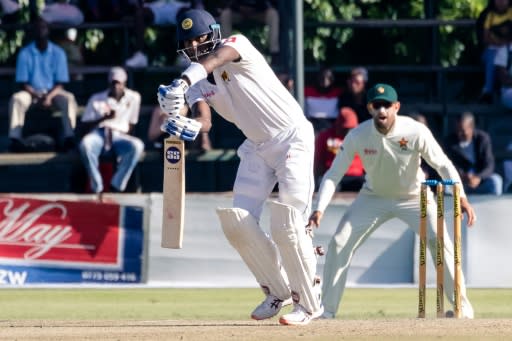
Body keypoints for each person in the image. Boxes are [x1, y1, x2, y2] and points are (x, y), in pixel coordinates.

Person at [157, 9, 322, 325]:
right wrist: (185, 124)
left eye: (200, 38)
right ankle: (278, 290)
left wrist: (182, 80)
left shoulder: (237, 44)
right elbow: (205, 121)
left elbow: (214, 60)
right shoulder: (196, 83)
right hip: (256, 147)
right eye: (188, 42)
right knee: (237, 223)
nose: (194, 47)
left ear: (214, 34)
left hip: (292, 139)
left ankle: (309, 303)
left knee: (287, 222)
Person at [309, 83, 477, 319]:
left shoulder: (415, 131)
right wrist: (319, 208)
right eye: (376, 105)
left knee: (441, 244)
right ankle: (326, 310)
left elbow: (443, 165)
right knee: (339, 243)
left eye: (387, 105)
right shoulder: (358, 134)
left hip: (414, 196)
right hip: (373, 197)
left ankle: (462, 308)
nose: (382, 111)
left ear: (396, 107)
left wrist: (461, 196)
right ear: (369, 108)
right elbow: (333, 174)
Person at [8, 17, 78, 152]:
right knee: (16, 98)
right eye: (37, 28)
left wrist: (49, 97)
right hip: (31, 93)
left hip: (53, 93)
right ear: (33, 31)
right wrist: (36, 95)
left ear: (48, 31)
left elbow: (61, 82)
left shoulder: (58, 53)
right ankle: (15, 139)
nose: (40, 31)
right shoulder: (25, 53)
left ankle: (69, 137)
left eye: (43, 27)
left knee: (69, 99)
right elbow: (23, 83)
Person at [78, 66, 144, 197]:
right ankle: (96, 186)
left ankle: (116, 185)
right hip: (99, 133)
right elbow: (85, 125)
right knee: (85, 144)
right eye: (113, 82)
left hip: (119, 135)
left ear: (124, 83)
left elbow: (131, 125)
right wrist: (104, 118)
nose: (116, 86)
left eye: (118, 83)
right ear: (109, 83)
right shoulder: (96, 98)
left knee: (137, 146)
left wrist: (118, 135)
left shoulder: (134, 98)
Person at [444, 112, 503, 195]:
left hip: (479, 181)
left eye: (463, 131)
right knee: (445, 184)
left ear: (471, 128)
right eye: (457, 130)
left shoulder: (482, 139)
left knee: (496, 180)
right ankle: (452, 207)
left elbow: (489, 165)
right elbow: (446, 164)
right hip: (459, 182)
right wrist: (461, 175)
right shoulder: (449, 141)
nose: (459, 134)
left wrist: (479, 177)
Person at [314, 107, 364, 192]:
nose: (348, 132)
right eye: (346, 128)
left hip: (356, 177)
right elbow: (318, 161)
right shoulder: (325, 136)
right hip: (334, 176)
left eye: (351, 128)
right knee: (328, 187)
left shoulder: (361, 137)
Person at [216, 0, 280, 65]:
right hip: (239, 14)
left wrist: (255, 9)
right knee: (225, 14)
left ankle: (274, 52)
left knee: (273, 13)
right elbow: (229, 4)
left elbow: (268, 5)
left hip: (258, 13)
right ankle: (224, 48)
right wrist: (240, 8)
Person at [477, 0, 512, 103]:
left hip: (508, 48)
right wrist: (500, 43)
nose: (501, 2)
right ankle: (488, 90)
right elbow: (484, 38)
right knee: (492, 57)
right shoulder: (488, 16)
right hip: (493, 51)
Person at [304, 66, 343, 133]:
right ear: (317, 78)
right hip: (312, 124)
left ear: (332, 79)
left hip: (332, 124)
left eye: (328, 77)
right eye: (322, 77)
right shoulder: (307, 91)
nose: (325, 80)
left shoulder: (338, 92)